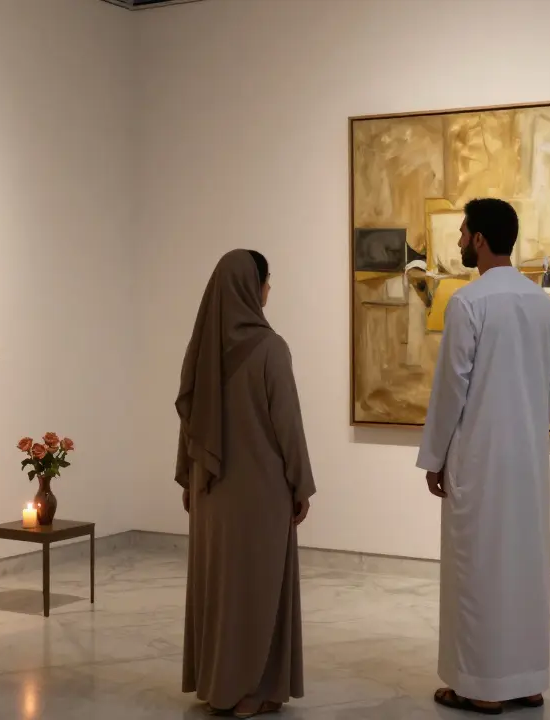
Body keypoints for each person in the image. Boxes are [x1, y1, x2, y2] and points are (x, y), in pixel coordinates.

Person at [417, 198, 550, 715]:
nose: (458, 242)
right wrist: (526, 430)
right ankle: (525, 680)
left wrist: (434, 457)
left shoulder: (469, 302)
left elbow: (451, 387)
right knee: (523, 565)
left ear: (479, 239)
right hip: (527, 458)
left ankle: (478, 685)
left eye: (462, 233)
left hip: (478, 457)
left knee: (475, 569)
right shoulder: (541, 303)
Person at [175, 249, 316, 718]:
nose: (269, 289)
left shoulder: (203, 353)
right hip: (261, 497)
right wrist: (302, 484)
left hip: (212, 493)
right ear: (250, 288)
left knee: (222, 592)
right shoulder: (271, 349)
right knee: (261, 590)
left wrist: (188, 479)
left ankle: (220, 684)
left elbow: (189, 423)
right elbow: (288, 427)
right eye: (266, 280)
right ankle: (252, 690)